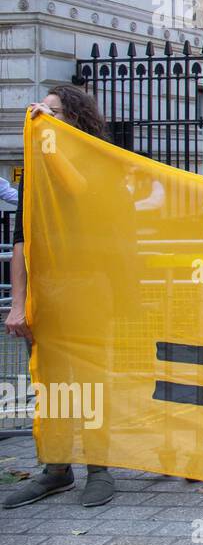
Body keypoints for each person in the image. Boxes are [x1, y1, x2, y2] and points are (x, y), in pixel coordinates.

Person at [3, 86, 117, 509]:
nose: (42, 117)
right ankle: (55, 468)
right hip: (47, 294)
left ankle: (99, 468)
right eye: (40, 111)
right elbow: (21, 242)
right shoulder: (35, 171)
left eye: (53, 113)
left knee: (91, 378)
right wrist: (18, 302)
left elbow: (80, 191)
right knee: (51, 383)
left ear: (76, 121)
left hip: (89, 290)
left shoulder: (95, 159)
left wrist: (48, 142)